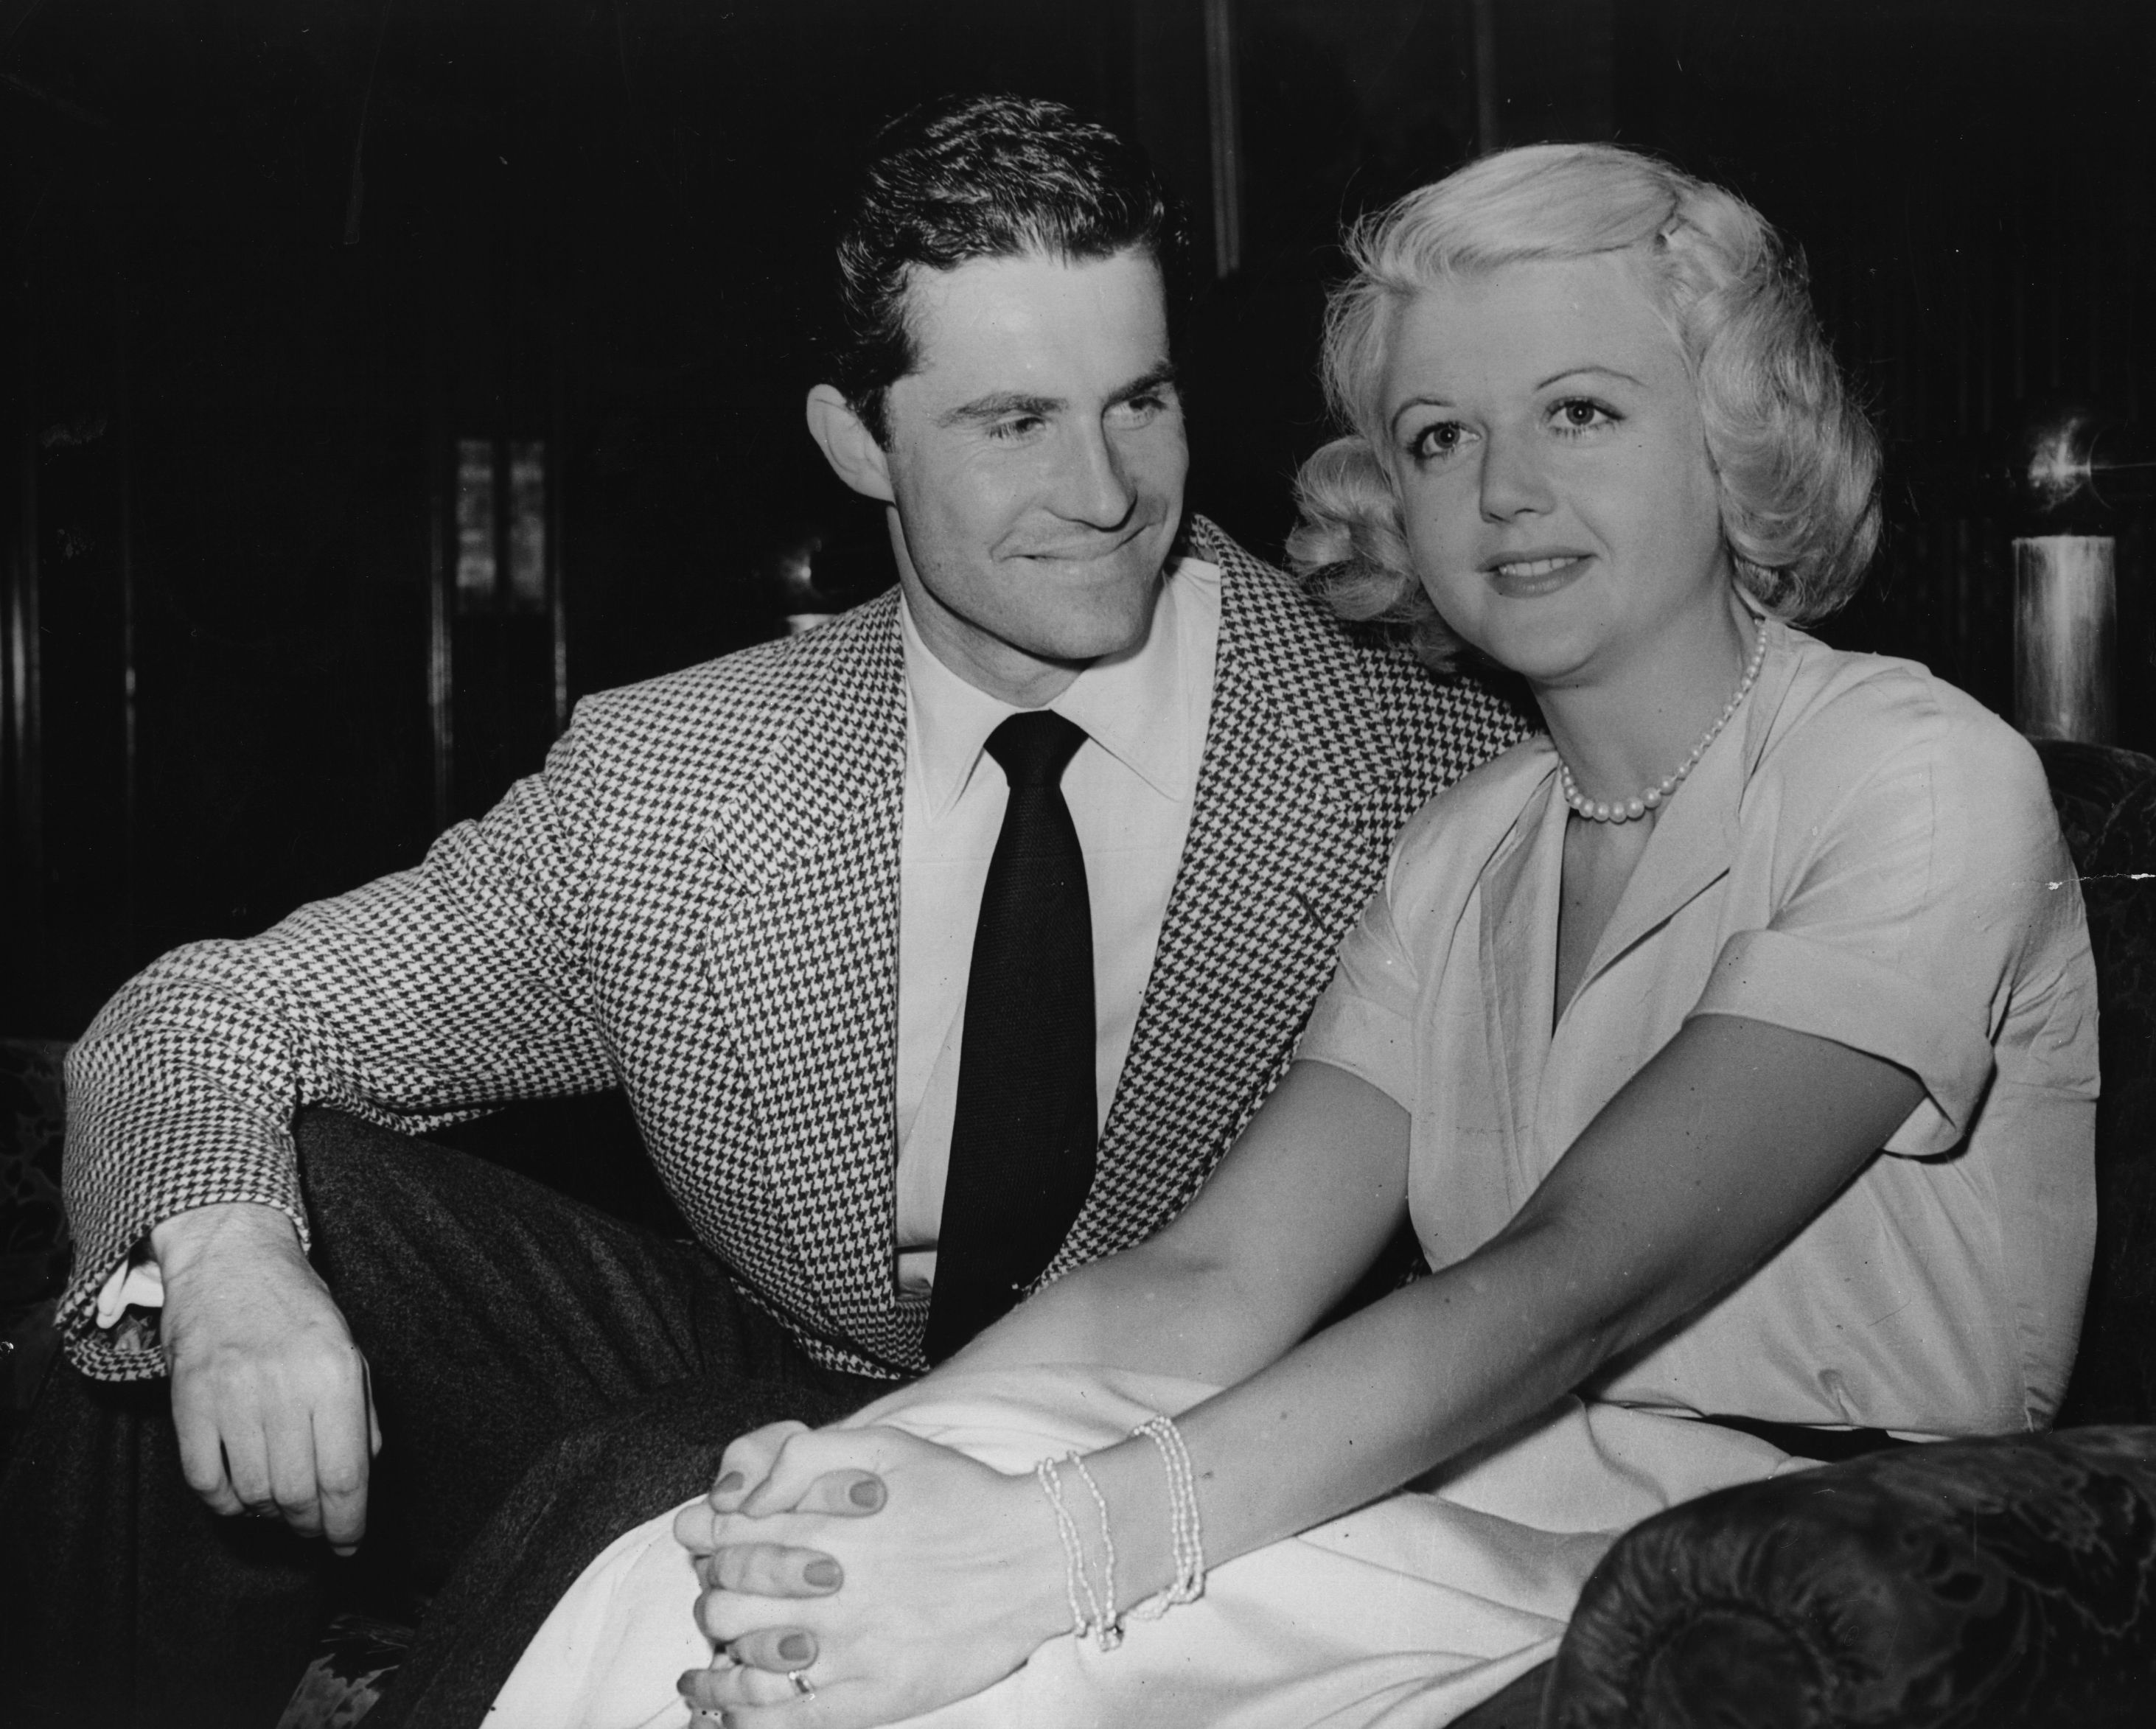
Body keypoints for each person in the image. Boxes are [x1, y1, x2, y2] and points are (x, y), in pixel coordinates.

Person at [501, 142, 2099, 1729]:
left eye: (1582, 411)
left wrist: (1047, 1550)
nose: (1506, 492)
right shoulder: (1466, 846)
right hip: (1481, 1486)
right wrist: (879, 1474)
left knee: (1023, 1673)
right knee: (704, 1579)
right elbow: (1204, 1282)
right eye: (1438, 436)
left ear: (1734, 432)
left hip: (1810, 1562)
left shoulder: (1912, 772)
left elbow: (1578, 1281)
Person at [0, 97, 1523, 1729]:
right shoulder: (675, 773)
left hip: (1187, 1459)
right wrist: (231, 1273)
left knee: (655, 1470)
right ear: (855, 440)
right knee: (195, 1238)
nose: (1102, 491)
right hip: (773, 1377)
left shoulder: (1434, 760)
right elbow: (203, 1014)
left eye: (1136, 402)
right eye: (1012, 421)